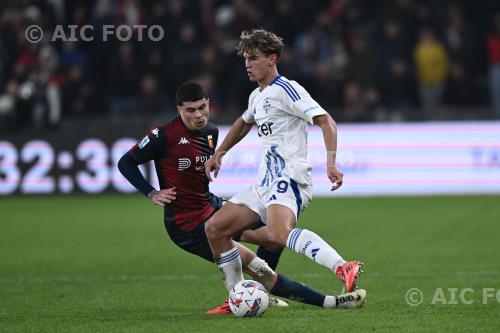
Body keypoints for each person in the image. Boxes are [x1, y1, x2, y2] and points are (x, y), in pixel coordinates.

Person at [118, 81, 367, 315]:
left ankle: (256, 294)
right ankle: (326, 302)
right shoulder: (164, 135)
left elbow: (241, 125)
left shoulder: (211, 131)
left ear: (208, 103)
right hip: (188, 226)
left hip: (212, 206)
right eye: (190, 110)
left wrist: (219, 155)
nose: (198, 115)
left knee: (274, 237)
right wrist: (151, 192)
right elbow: (126, 162)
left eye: (202, 107)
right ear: (179, 109)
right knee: (261, 270)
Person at [204, 29, 363, 296]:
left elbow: (326, 121)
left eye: (253, 58)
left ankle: (342, 266)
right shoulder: (257, 96)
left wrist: (331, 163)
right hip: (264, 182)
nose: (247, 64)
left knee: (278, 234)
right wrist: (220, 152)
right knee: (215, 228)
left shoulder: (287, 89)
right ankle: (237, 296)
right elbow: (244, 122)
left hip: (289, 177)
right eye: (245, 58)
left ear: (272, 59)